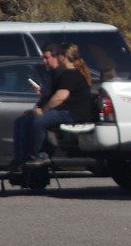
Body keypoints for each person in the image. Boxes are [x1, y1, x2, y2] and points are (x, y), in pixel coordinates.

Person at [9, 43, 93, 184]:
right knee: (21, 121)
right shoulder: (61, 75)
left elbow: (60, 97)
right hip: (63, 111)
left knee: (39, 122)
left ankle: (38, 156)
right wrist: (35, 109)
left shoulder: (71, 74)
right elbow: (50, 97)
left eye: (48, 57)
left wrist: (43, 111)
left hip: (73, 114)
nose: (44, 61)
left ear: (62, 57)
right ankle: (21, 160)